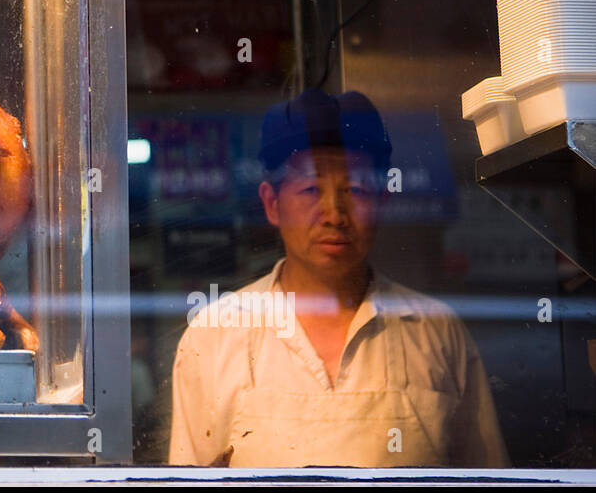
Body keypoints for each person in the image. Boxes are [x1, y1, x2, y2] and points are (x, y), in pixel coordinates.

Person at [168, 89, 508, 468]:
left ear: (382, 201)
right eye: (311, 189)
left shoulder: (436, 331)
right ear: (272, 203)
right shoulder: (214, 335)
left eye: (355, 190)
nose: (334, 214)